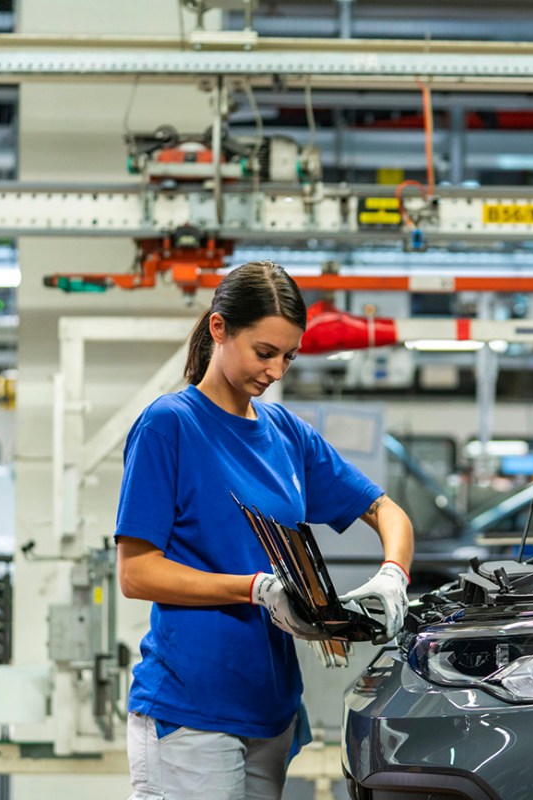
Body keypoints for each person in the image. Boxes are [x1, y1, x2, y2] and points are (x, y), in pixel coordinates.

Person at [114, 260, 414, 800]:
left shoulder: (286, 435)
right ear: (219, 329)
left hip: (268, 710)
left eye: (289, 356)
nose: (276, 371)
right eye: (264, 352)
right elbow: (137, 573)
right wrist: (255, 588)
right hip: (192, 712)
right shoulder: (170, 425)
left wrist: (393, 575)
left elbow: (387, 512)